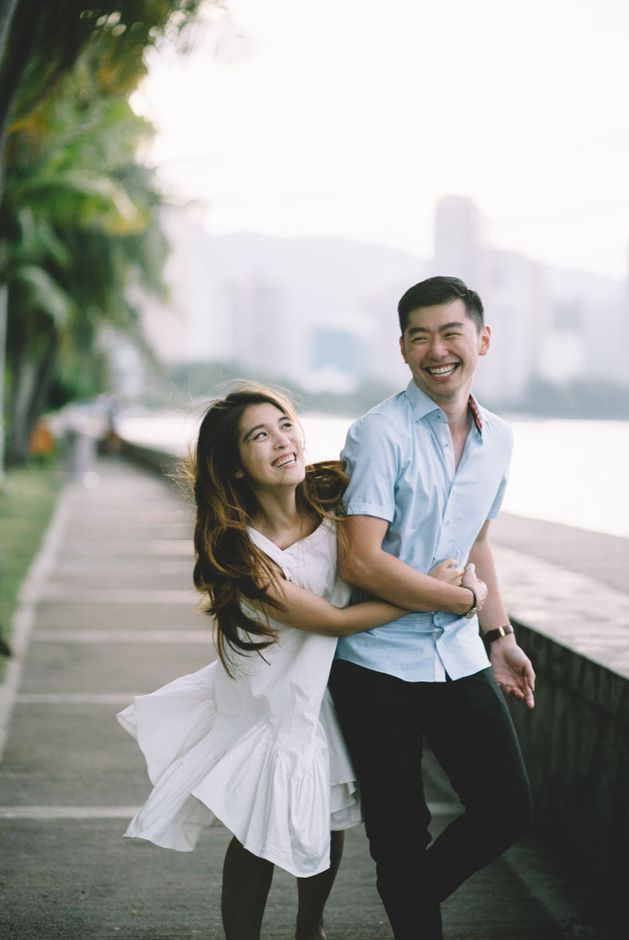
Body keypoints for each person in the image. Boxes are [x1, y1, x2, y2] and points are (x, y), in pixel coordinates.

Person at [117, 385, 487, 940]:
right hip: (269, 699)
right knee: (257, 829)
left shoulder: (334, 510)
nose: (281, 441)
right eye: (258, 436)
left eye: (284, 424)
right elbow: (331, 620)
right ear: (236, 466)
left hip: (325, 692)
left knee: (326, 811)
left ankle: (308, 928)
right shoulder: (239, 548)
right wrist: (432, 594)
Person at [328, 276, 536, 940]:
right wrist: (456, 597)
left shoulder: (497, 438)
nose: (437, 350)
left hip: (458, 654)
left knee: (507, 809)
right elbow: (359, 561)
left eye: (451, 333)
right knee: (398, 834)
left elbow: (476, 536)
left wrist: (497, 632)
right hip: (376, 664)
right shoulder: (379, 433)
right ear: (402, 348)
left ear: (482, 339)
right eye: (420, 336)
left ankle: (411, 896)